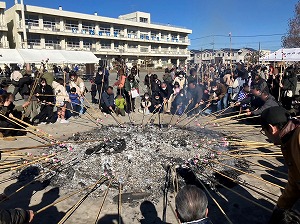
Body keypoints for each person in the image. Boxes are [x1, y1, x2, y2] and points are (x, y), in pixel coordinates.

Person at [260, 107, 300, 224]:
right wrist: (281, 207)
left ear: (272, 128)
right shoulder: (288, 140)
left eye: (264, 131)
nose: (266, 136)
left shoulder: (297, 138)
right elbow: (295, 181)